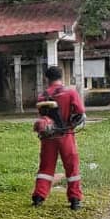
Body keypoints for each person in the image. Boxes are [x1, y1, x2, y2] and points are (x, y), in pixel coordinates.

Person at [32, 65, 86, 211]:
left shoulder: (42, 96)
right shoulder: (70, 92)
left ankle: (38, 197)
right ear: (61, 77)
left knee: (46, 167)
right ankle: (75, 200)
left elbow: (42, 115)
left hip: (48, 136)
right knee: (72, 166)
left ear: (47, 78)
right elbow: (80, 111)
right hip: (65, 134)